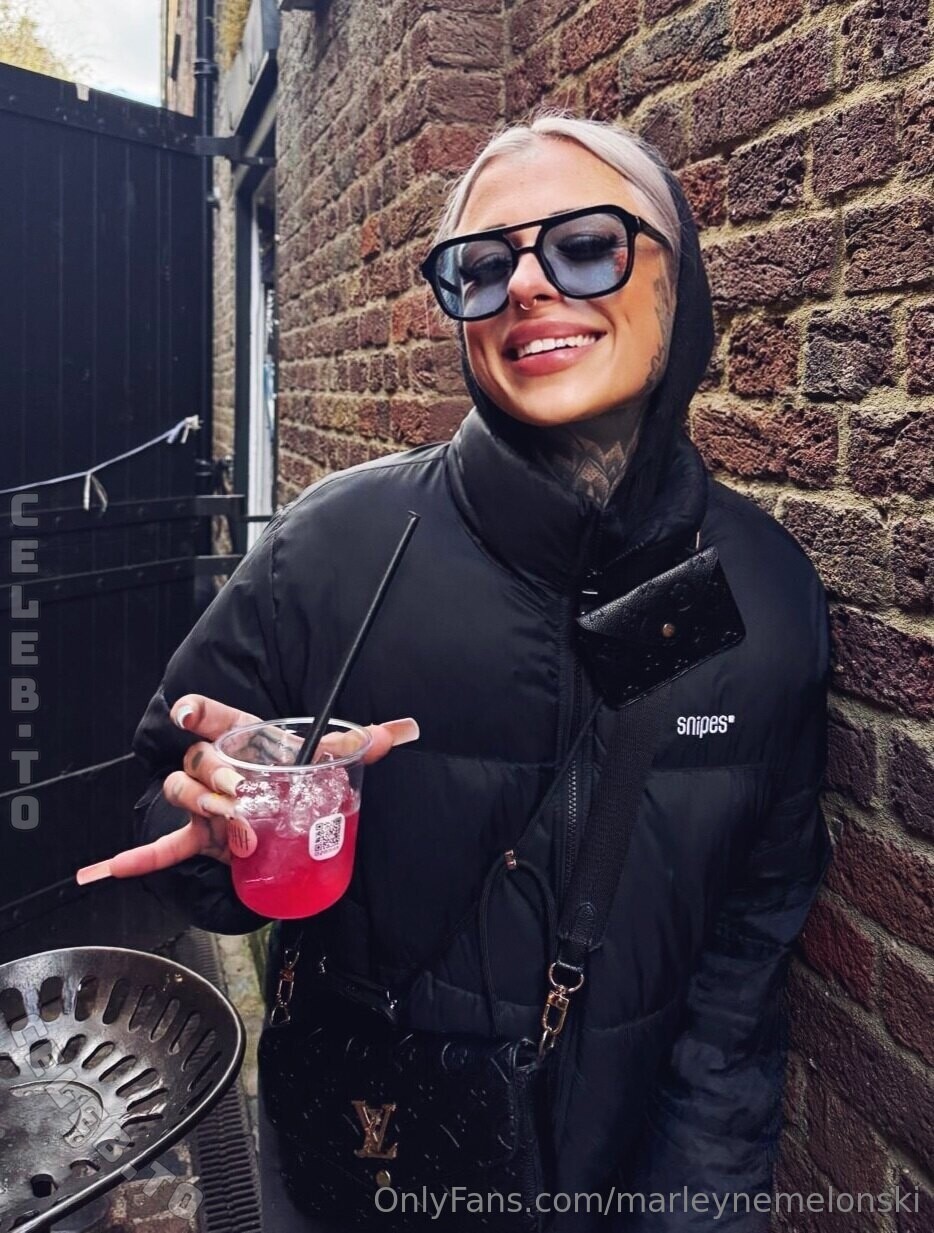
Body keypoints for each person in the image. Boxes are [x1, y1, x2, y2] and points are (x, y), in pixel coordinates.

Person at [84, 113, 832, 1231]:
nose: (526, 285)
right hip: (359, 1169)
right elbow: (166, 799)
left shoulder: (767, 592)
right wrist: (226, 825)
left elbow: (747, 959)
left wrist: (696, 1207)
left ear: (682, 281)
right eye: (482, 267)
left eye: (587, 245)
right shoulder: (333, 548)